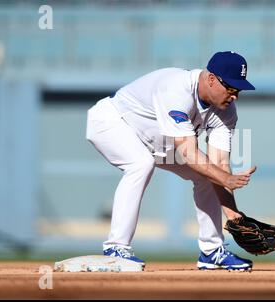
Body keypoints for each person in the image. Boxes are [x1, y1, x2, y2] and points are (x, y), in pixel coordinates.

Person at [86, 51, 257, 271]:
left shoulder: (226, 111)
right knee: (140, 164)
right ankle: (116, 248)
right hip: (113, 122)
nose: (235, 96)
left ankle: (212, 251)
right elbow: (187, 150)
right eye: (231, 88)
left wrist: (234, 217)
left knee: (207, 175)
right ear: (212, 79)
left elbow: (220, 164)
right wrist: (225, 178)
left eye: (239, 90)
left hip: (159, 141)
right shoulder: (177, 90)